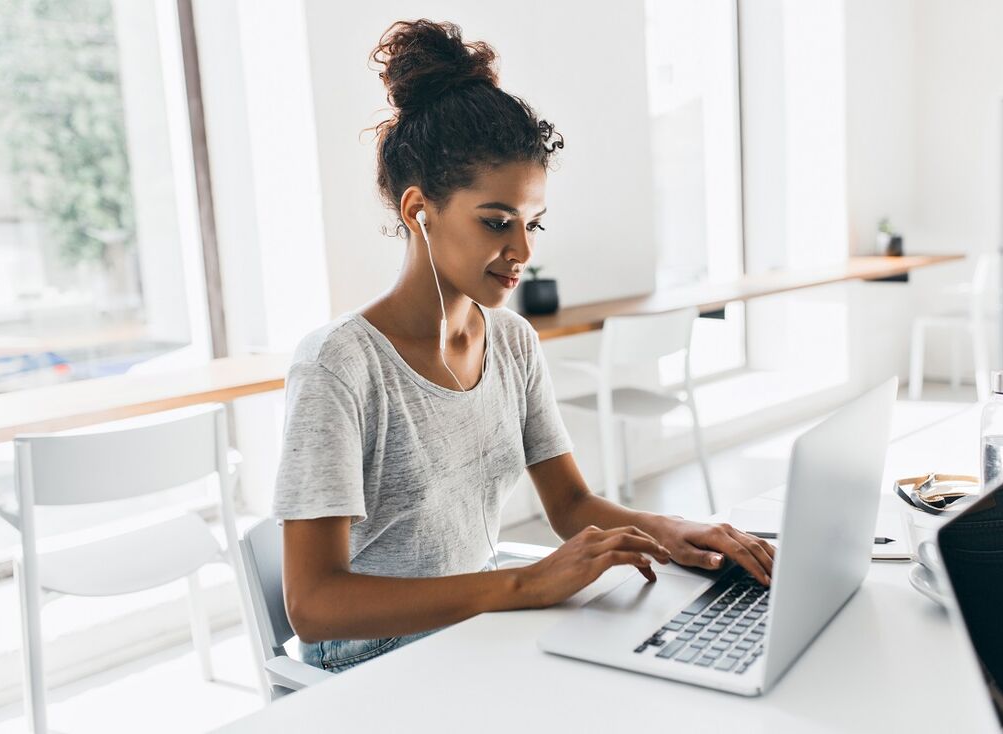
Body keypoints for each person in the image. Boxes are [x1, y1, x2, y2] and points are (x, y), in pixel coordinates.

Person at [272, 18, 775, 674]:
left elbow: (569, 506)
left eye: (531, 222)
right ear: (419, 210)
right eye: (496, 222)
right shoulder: (338, 366)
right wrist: (522, 585)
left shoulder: (509, 341)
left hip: (471, 630)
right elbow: (314, 605)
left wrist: (672, 531)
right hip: (371, 665)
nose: (523, 250)